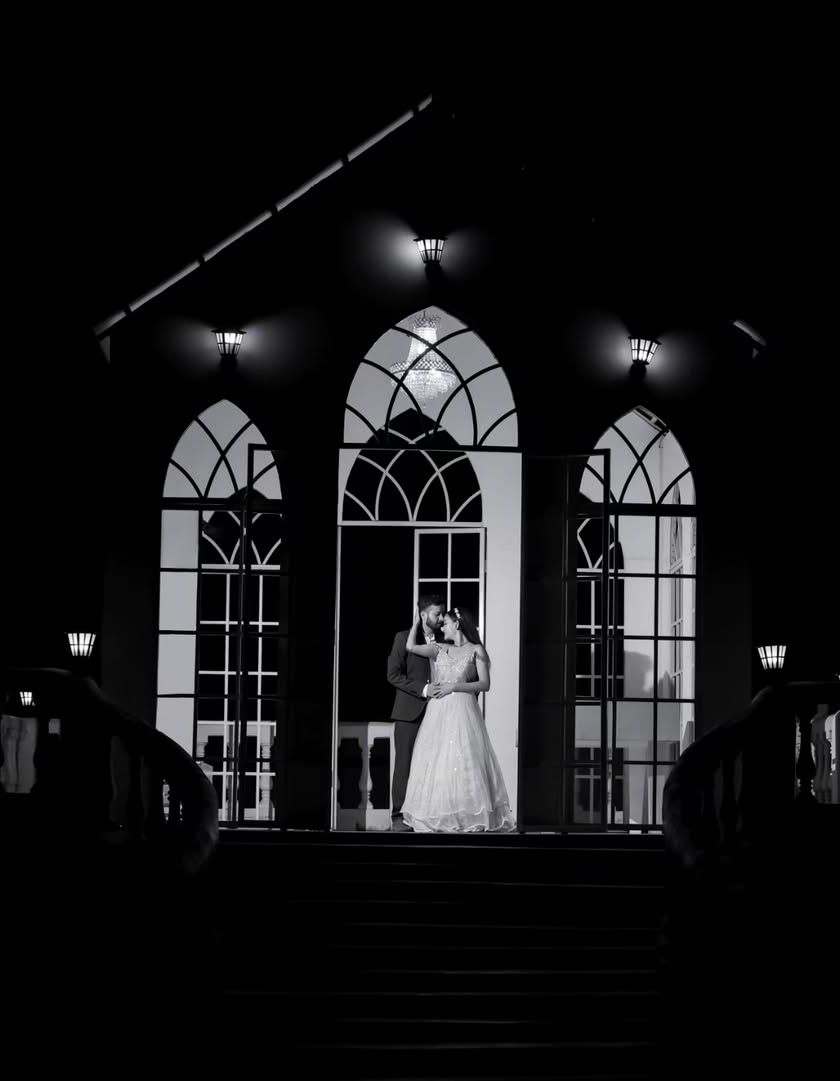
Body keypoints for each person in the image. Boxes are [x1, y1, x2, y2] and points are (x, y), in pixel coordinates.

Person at [400, 606, 516, 833]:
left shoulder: (476, 650)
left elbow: (485, 684)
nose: (442, 627)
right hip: (438, 713)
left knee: (464, 760)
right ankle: (440, 816)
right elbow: (410, 646)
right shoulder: (440, 648)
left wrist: (454, 686)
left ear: (457, 624)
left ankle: (467, 816)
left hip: (464, 711)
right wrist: (417, 622)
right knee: (438, 760)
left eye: (445, 623)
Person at [386, 594, 445, 832]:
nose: (441, 618)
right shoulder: (403, 638)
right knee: (405, 765)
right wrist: (423, 689)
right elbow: (393, 675)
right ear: (423, 615)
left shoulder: (446, 639)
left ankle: (430, 816)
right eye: (437, 614)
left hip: (439, 712)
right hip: (409, 713)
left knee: (436, 765)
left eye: (442, 614)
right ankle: (399, 817)